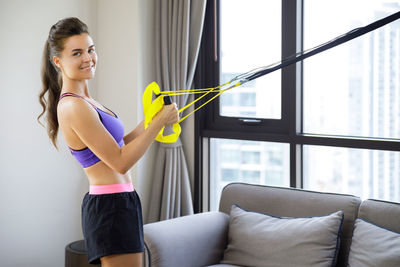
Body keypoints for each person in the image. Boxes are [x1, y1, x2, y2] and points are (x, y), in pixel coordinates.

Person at [37, 17, 179, 267]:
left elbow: (118, 146)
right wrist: (158, 124)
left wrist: (151, 120)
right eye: (77, 53)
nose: (88, 58)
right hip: (110, 206)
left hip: (122, 201)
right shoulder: (72, 106)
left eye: (91, 50)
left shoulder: (88, 101)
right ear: (58, 61)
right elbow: (120, 162)